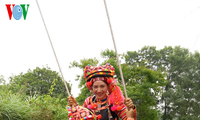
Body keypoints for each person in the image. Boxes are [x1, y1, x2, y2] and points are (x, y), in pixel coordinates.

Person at [67, 63, 137, 120]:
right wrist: (75, 107)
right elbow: (82, 116)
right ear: (91, 88)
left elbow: (128, 116)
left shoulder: (114, 101)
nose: (99, 90)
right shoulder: (88, 101)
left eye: (102, 86)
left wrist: (131, 108)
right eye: (95, 87)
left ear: (108, 87)